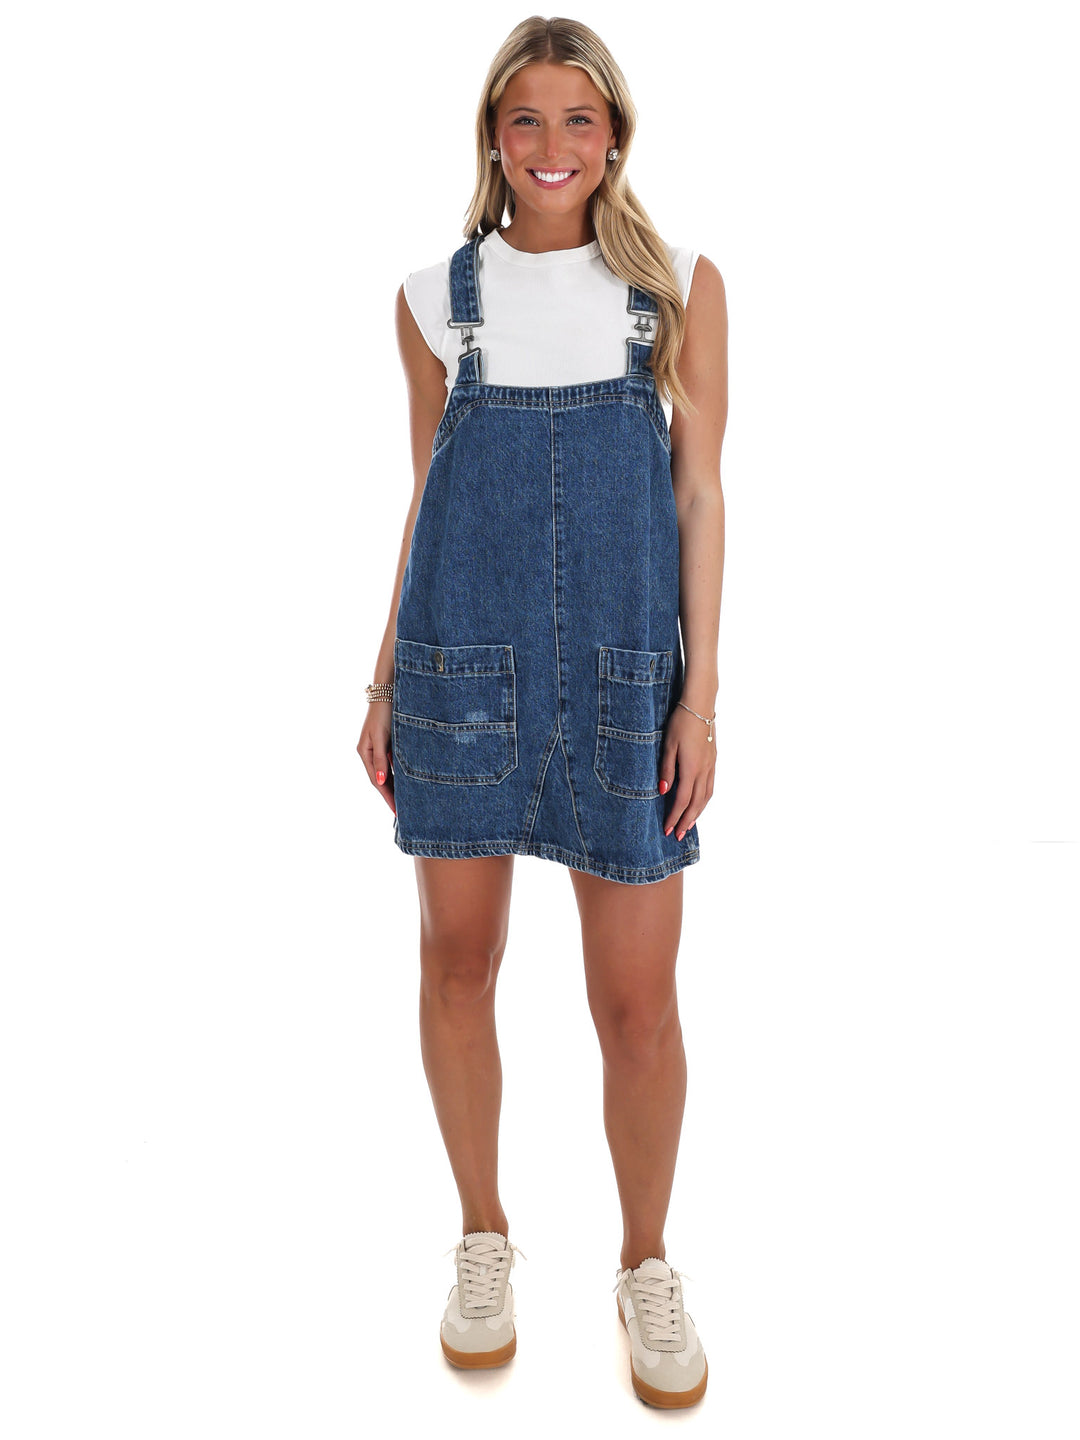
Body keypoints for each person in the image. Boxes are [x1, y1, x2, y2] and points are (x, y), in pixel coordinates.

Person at [356, 16, 727, 1410]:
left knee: (639, 1008)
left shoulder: (676, 289)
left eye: (580, 119)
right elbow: (427, 499)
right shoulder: (432, 299)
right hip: (460, 667)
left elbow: (701, 495)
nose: (553, 145)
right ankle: (482, 1239)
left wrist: (701, 698)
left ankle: (646, 1265)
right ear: (493, 138)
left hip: (629, 681)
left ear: (614, 137)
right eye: (527, 118)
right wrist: (385, 678)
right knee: (459, 965)